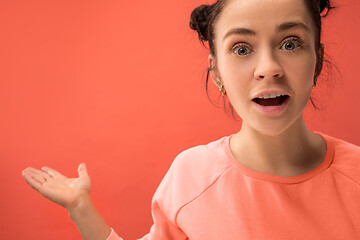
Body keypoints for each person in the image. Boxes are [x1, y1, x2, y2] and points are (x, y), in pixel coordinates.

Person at [22, 0, 360, 239]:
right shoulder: (191, 176)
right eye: (242, 48)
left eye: (291, 43)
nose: (268, 67)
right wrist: (81, 208)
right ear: (217, 72)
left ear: (317, 61)